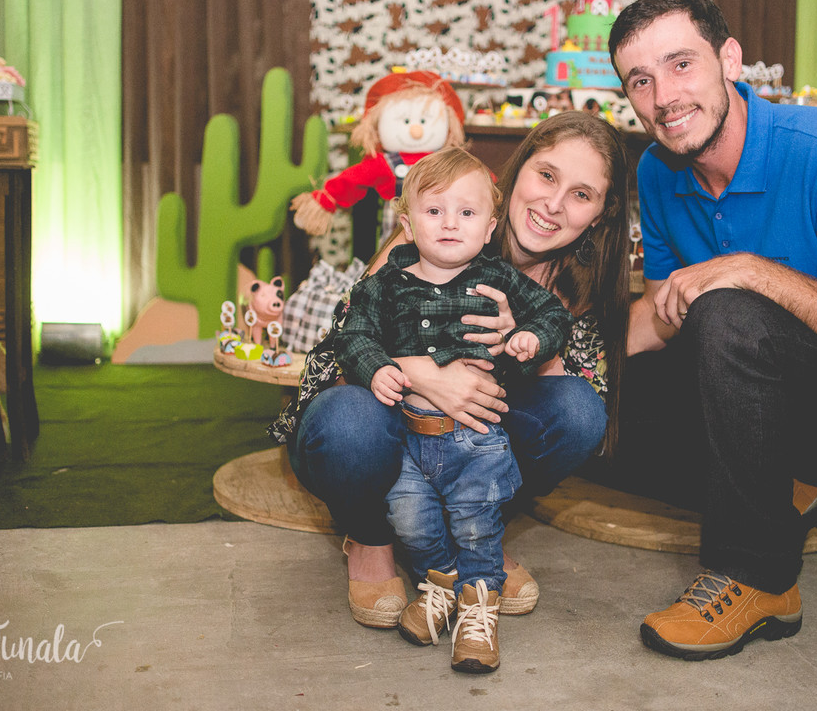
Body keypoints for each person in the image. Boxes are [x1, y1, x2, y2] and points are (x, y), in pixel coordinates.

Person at [606, 0, 817, 661]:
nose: (664, 96)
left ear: (730, 59)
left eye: (681, 64)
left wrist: (751, 269)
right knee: (589, 421)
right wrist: (567, 359)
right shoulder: (657, 172)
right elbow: (665, 315)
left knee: (729, 312)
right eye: (641, 79)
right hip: (740, 385)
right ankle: (777, 484)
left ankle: (760, 576)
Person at [269, 110, 631, 642]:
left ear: (599, 215)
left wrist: (519, 348)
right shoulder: (433, 231)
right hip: (387, 425)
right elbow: (340, 345)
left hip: (471, 447)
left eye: (582, 194)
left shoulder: (575, 285)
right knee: (348, 422)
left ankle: (475, 533)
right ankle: (370, 536)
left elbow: (571, 390)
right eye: (547, 175)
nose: (554, 204)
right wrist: (421, 372)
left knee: (578, 410)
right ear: (511, 179)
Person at [335, 147, 575, 673]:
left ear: (489, 227)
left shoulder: (499, 279)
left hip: (476, 438)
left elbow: (553, 313)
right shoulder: (384, 286)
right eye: (434, 211)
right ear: (407, 223)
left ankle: (478, 611)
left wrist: (531, 335)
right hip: (407, 439)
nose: (450, 224)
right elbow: (351, 333)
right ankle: (441, 582)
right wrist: (375, 366)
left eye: (466, 213)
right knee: (411, 521)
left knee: (477, 525)